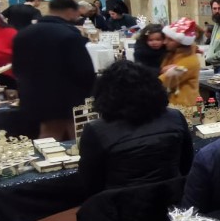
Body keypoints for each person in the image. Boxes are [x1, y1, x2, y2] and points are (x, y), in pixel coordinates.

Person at [78, 60, 192, 199]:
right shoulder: (175, 118)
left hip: (120, 208)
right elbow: (187, 165)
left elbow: (90, 183)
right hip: (172, 202)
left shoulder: (97, 130)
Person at [12, 0, 96, 140]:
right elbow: (84, 71)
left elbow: (17, 68)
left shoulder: (23, 34)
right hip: (66, 98)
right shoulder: (70, 35)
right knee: (76, 136)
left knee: (47, 137)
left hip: (33, 96)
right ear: (70, 11)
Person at [159, 18, 202, 107]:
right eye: (165, 38)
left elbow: (164, 82)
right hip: (175, 104)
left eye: (170, 40)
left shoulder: (189, 60)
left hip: (185, 108)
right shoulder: (172, 54)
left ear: (181, 43)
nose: (165, 42)